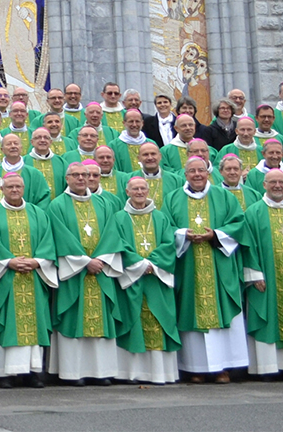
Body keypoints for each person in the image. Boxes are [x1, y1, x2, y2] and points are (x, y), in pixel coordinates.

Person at [166, 155, 247, 382]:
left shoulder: (224, 197)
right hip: (188, 265)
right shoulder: (173, 198)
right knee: (192, 312)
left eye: (201, 170)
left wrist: (216, 235)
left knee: (221, 312)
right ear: (185, 175)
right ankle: (195, 368)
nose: (197, 175)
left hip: (219, 265)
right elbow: (164, 226)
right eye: (192, 171)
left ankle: (223, 368)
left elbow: (238, 223)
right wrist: (183, 234)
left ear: (209, 173)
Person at [97, 177, 180, 384]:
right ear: (127, 191)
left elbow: (169, 244)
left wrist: (153, 264)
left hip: (157, 279)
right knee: (133, 321)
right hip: (132, 279)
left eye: (143, 188)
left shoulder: (160, 217)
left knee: (158, 321)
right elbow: (116, 243)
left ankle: (160, 373)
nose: (139, 192)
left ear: (148, 190)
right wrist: (140, 265)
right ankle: (132, 372)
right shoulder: (119, 218)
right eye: (135, 188)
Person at [47, 162, 123, 385]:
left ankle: (102, 372)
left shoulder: (103, 203)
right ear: (67, 178)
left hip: (100, 271)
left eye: (85, 174)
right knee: (73, 319)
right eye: (76, 175)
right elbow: (60, 237)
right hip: (74, 273)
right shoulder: (57, 205)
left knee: (101, 322)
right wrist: (85, 262)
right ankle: (72, 373)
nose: (81, 178)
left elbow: (112, 233)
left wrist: (100, 260)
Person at [0, 173, 57, 388]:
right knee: (7, 321)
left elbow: (47, 241)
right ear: (2, 189)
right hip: (4, 277)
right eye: (10, 186)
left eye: (18, 186)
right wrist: (8, 262)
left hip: (33, 275)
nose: (14, 190)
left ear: (24, 189)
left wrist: (36, 261)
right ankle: (4, 373)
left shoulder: (38, 214)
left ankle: (31, 372)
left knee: (33, 322)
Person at [240, 168, 283, 376]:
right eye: (272, 182)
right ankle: (267, 367)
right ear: (264, 185)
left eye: (281, 182)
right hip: (266, 276)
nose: (277, 186)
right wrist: (254, 274)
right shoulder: (254, 211)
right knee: (266, 315)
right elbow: (248, 246)